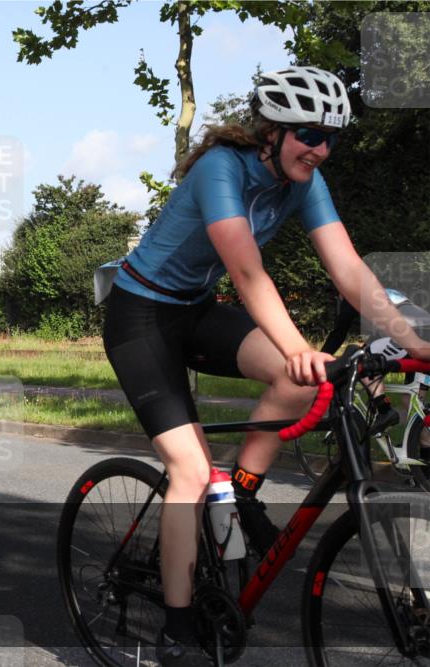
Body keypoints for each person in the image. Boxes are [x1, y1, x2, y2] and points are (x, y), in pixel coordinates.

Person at [102, 66, 430, 666]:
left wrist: (413, 337)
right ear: (272, 131)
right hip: (140, 316)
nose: (320, 148)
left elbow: (349, 269)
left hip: (196, 309)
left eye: (332, 137)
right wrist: (300, 346)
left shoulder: (305, 180)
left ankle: (245, 495)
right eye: (308, 132)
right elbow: (248, 271)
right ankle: (176, 631)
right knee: (191, 472)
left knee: (293, 382)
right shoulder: (219, 169)